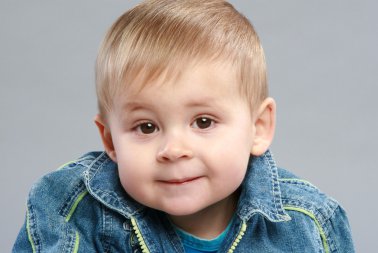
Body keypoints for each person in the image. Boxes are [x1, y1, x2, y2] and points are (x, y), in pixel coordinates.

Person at [13, 0, 355, 252]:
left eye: (203, 122)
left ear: (258, 127)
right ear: (111, 140)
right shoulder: (68, 211)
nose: (174, 150)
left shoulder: (308, 223)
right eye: (146, 127)